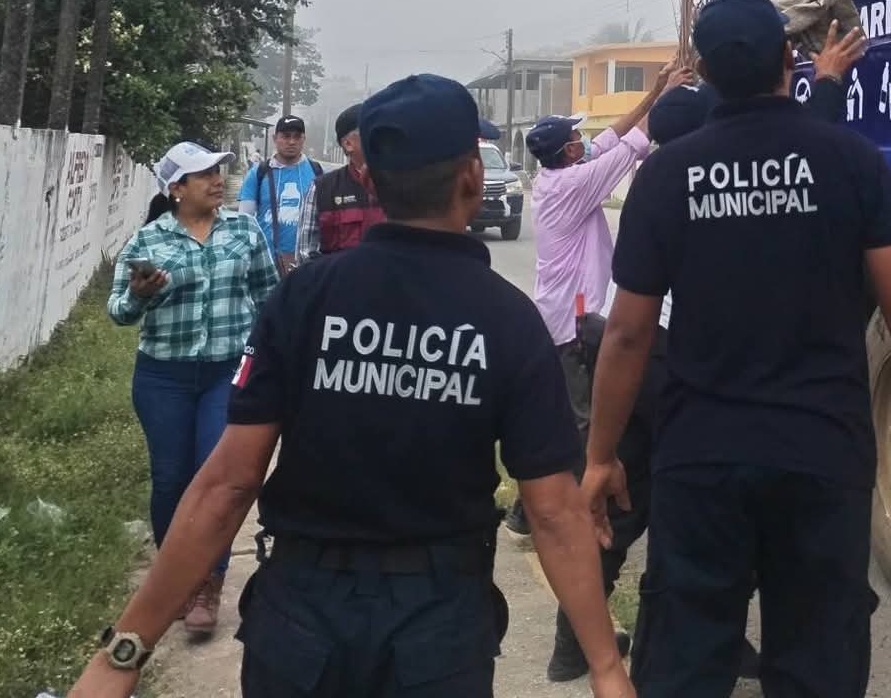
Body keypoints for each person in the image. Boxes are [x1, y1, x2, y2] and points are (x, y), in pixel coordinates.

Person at [68, 75, 635, 698]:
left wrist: (123, 653)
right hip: (439, 632)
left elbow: (227, 484)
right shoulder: (509, 320)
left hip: (300, 623)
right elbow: (552, 512)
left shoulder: (305, 297)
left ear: (367, 179)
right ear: (473, 177)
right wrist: (606, 669)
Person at [583, 0, 891, 697]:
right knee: (819, 655)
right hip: (820, 454)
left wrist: (600, 456)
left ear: (706, 73)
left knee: (685, 657)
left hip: (702, 458)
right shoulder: (850, 161)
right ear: (786, 61)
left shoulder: (668, 176)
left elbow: (627, 332)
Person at [516, 62, 690, 681]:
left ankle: (574, 619)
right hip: (585, 335)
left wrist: (657, 89)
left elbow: (616, 135)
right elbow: (634, 144)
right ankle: (576, 621)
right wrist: (668, 102)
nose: (583, 140)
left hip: (596, 331)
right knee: (601, 454)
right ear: (566, 152)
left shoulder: (567, 171)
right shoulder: (572, 186)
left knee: (615, 465)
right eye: (575, 137)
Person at [107, 140, 279, 637]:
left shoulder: (244, 231)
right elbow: (118, 312)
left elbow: (270, 297)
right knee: (170, 479)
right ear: (177, 189)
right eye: (204, 175)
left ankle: (208, 582)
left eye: (218, 172)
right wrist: (139, 296)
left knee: (217, 478)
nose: (216, 181)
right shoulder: (148, 241)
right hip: (164, 377)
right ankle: (175, 578)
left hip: (226, 374)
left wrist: (271, 359)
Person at [293, 104, 383, 264]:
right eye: (371, 131)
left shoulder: (404, 184)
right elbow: (305, 255)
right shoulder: (322, 189)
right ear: (348, 144)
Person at [238, 114, 323, 274]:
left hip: (308, 266)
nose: (291, 142)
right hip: (266, 265)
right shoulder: (258, 173)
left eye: (297, 137)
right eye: (286, 136)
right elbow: (244, 222)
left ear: (303, 139)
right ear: (274, 138)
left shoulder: (317, 172)